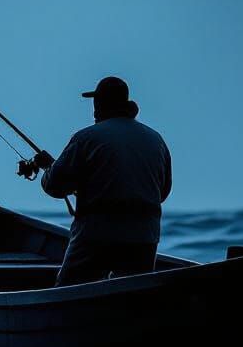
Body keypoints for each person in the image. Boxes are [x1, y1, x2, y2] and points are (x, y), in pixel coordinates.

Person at [19, 76, 171, 286]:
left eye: (96, 102)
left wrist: (48, 169)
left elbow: (55, 186)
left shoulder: (86, 138)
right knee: (135, 298)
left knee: (67, 292)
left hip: (96, 237)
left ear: (102, 104)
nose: (93, 109)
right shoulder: (156, 140)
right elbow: (162, 192)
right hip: (144, 237)